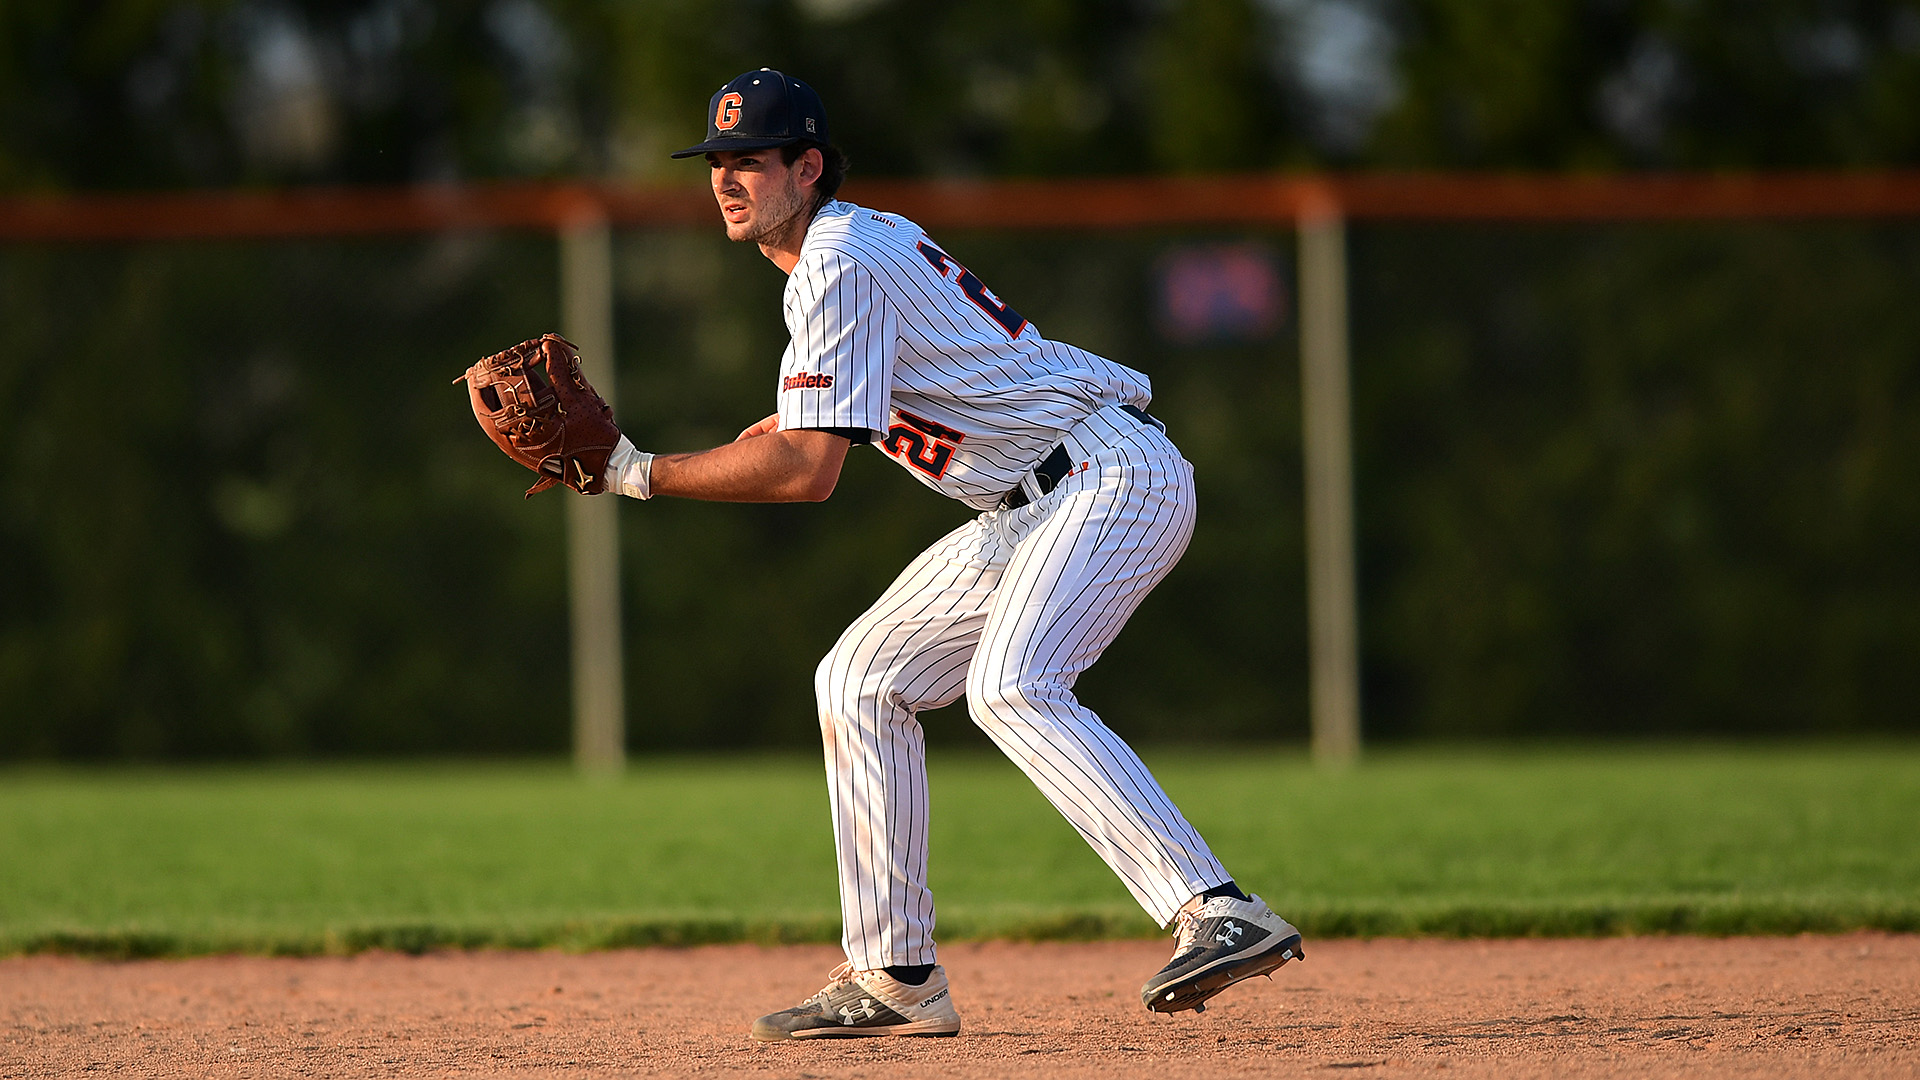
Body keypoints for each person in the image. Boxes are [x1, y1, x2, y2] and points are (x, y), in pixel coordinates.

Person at [599, 68, 1303, 1042]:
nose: (725, 179)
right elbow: (833, 416)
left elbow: (804, 471)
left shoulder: (835, 262)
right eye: (716, 161)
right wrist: (772, 431)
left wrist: (633, 472)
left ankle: (1217, 908)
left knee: (1012, 685)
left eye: (750, 160)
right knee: (859, 679)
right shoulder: (852, 247)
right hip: (1027, 504)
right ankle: (896, 976)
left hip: (1105, 475)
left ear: (807, 167)